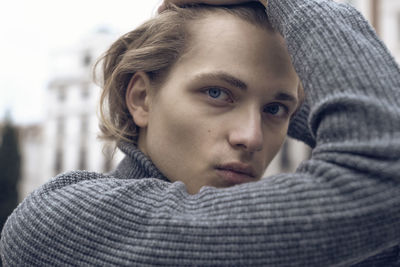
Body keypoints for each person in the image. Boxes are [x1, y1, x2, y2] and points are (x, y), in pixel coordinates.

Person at [1, 0, 399, 265]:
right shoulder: (59, 220)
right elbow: (385, 170)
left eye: (275, 110)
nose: (252, 137)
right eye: (217, 93)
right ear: (141, 98)